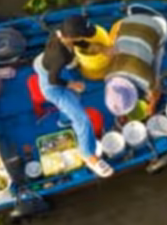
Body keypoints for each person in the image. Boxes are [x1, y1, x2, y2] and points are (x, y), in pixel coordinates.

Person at [32, 16, 111, 178]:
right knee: (82, 120)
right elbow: (53, 80)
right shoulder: (59, 55)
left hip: (43, 63)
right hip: (52, 86)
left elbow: (81, 43)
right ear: (72, 36)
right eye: (84, 34)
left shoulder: (62, 32)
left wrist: (102, 49)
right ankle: (88, 155)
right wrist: (72, 84)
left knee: (74, 99)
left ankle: (64, 120)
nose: (86, 36)